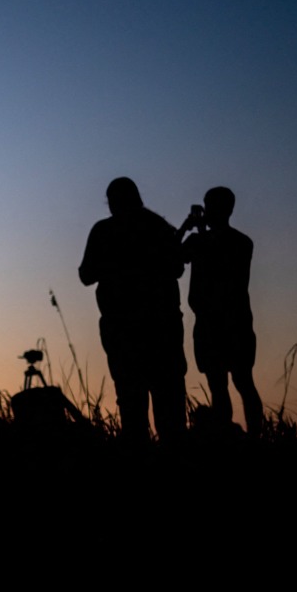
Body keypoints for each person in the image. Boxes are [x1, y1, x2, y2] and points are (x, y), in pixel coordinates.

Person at [79, 177, 187, 443]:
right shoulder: (158, 228)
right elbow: (177, 267)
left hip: (123, 330)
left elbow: (86, 275)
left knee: (131, 400)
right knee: (168, 399)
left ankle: (137, 463)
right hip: (161, 327)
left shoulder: (104, 231)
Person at [178, 187, 264, 437]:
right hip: (210, 323)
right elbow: (171, 257)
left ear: (226, 209)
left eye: (211, 206)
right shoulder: (203, 240)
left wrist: (196, 229)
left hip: (232, 322)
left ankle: (253, 437)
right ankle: (225, 436)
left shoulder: (240, 242)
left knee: (242, 382)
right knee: (220, 384)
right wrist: (186, 227)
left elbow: (214, 256)